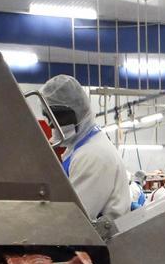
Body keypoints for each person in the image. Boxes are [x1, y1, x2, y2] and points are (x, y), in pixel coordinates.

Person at [40, 74, 131, 220]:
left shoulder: (92, 154)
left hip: (99, 235)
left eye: (58, 116)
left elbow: (74, 218)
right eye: (48, 117)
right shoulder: (83, 147)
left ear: (79, 112)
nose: (51, 124)